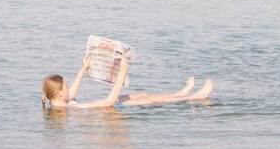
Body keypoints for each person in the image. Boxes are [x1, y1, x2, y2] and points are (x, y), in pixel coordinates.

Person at [42, 47, 212, 110]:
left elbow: (70, 95)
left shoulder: (60, 102)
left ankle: (180, 93)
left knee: (139, 93)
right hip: (112, 109)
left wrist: (83, 68)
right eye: (66, 86)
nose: (69, 88)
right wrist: (122, 73)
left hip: (113, 106)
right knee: (152, 100)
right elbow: (109, 101)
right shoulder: (75, 110)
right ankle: (194, 97)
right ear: (58, 93)